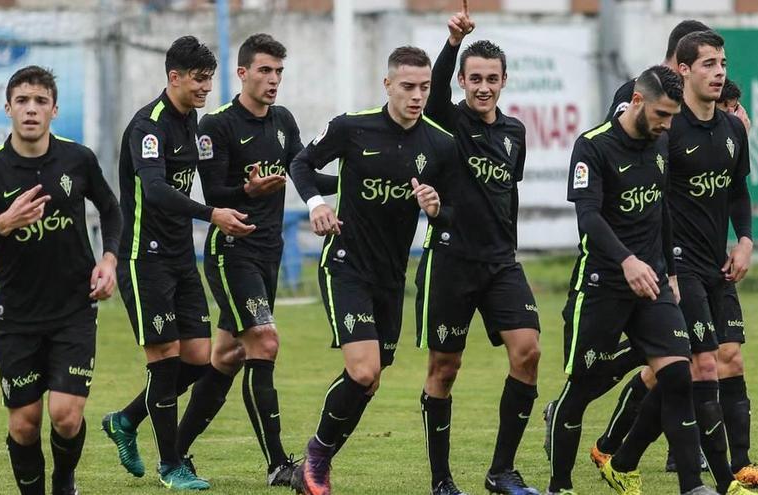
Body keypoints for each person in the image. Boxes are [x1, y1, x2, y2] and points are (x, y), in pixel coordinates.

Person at [589, 33, 758, 492]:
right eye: (709, 64)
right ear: (685, 71)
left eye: (723, 63)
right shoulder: (667, 131)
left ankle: (622, 454)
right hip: (678, 266)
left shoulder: (733, 129)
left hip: (719, 263)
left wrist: (746, 242)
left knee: (722, 359)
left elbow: (738, 192)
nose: (719, 72)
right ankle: (727, 475)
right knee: (700, 367)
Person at [288, 45, 456, 495]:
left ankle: (314, 462)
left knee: (372, 377)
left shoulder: (439, 144)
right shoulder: (352, 128)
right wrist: (317, 203)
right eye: (407, 87)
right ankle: (316, 458)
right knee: (363, 370)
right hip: (345, 265)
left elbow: (453, 211)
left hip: (390, 277)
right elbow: (300, 162)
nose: (417, 96)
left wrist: (437, 207)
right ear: (387, 86)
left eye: (424, 87)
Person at [175, 33, 336, 486]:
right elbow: (211, 194)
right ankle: (278, 465)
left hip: (268, 252)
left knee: (226, 355)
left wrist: (356, 174)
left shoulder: (282, 120)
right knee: (264, 342)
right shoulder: (218, 125)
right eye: (265, 70)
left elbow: (302, 170)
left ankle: (173, 449)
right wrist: (248, 190)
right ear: (242, 73)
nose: (273, 80)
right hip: (231, 253)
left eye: (279, 72)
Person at [0, 65, 122, 495]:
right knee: (25, 425)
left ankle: (64, 480)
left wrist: (109, 260)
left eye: (40, 101)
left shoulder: (77, 159)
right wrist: (4, 223)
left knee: (66, 416)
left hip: (73, 308)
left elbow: (111, 209)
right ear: (8, 108)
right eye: (23, 101)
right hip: (16, 316)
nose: (31, 109)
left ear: (54, 110)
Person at [559, 65, 720, 495]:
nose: (668, 125)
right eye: (663, 115)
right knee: (580, 392)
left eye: (672, 116)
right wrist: (627, 261)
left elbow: (661, 211)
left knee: (677, 375)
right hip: (603, 284)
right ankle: (560, 485)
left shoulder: (660, 143)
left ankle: (692, 486)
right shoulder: (592, 147)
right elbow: (588, 217)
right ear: (636, 102)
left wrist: (668, 270)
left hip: (652, 282)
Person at [100, 35, 253, 490]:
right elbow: (157, 191)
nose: (207, 87)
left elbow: (206, 182)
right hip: (142, 259)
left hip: (179, 257)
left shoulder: (193, 122)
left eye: (210, 78)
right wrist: (211, 215)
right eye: (199, 79)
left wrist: (246, 190)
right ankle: (171, 466)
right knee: (164, 360)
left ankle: (125, 420)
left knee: (199, 359)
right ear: (174, 77)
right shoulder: (148, 127)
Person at [415, 11, 541, 495]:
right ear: (463, 81)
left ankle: (501, 471)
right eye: (475, 79)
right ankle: (442, 479)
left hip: (501, 264)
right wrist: (452, 42)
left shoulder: (515, 133)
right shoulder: (448, 122)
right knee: (445, 368)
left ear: (504, 81)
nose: (483, 87)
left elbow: (507, 195)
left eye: (492, 78)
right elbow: (438, 82)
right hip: (450, 263)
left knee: (527, 352)